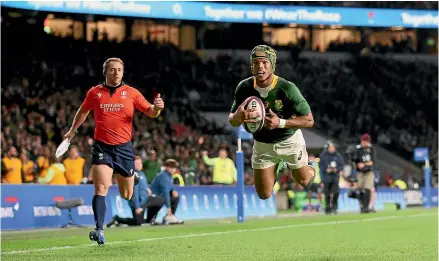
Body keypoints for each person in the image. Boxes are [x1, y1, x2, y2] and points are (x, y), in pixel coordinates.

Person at [64, 57, 165, 245]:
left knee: (126, 195)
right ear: (105, 72)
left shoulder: (132, 93)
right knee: (101, 188)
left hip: (124, 149)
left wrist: (157, 109)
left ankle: (130, 176)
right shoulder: (95, 92)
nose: (116, 72)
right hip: (102, 147)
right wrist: (72, 131)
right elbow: (83, 111)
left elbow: (151, 112)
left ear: (123, 72)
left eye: (119, 69)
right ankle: (99, 229)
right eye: (112, 69)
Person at [228, 45, 315, 200]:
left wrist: (280, 123)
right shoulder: (244, 87)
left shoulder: (287, 88)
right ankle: (277, 166)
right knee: (264, 194)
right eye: (256, 63)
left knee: (304, 180)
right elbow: (232, 120)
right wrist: (238, 117)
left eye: (264, 62)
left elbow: (309, 120)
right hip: (263, 144)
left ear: (272, 65)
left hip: (289, 141)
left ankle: (311, 168)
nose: (260, 66)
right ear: (251, 66)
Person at [148, 159, 183, 225]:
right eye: (170, 167)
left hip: (159, 198)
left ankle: (170, 216)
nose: (172, 169)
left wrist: (173, 191)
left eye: (174, 167)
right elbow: (165, 192)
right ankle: (154, 218)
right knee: (163, 199)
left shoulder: (169, 176)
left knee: (175, 196)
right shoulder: (163, 176)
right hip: (153, 199)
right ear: (166, 167)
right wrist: (168, 207)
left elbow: (171, 187)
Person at [353, 133, 377, 213]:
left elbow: (372, 161)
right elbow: (355, 160)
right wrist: (357, 164)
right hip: (360, 172)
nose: (363, 143)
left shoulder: (371, 148)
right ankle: (362, 206)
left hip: (369, 172)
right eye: (363, 141)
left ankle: (366, 207)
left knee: (367, 189)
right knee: (360, 189)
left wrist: (364, 164)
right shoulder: (358, 149)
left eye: (365, 142)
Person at [319, 141, 344, 215]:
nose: (332, 149)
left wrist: (337, 169)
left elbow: (341, 165)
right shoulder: (323, 155)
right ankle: (327, 208)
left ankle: (334, 207)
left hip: (335, 176)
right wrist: (326, 169)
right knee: (327, 193)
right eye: (330, 147)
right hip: (326, 176)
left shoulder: (338, 155)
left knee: (336, 192)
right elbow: (321, 166)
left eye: (333, 147)